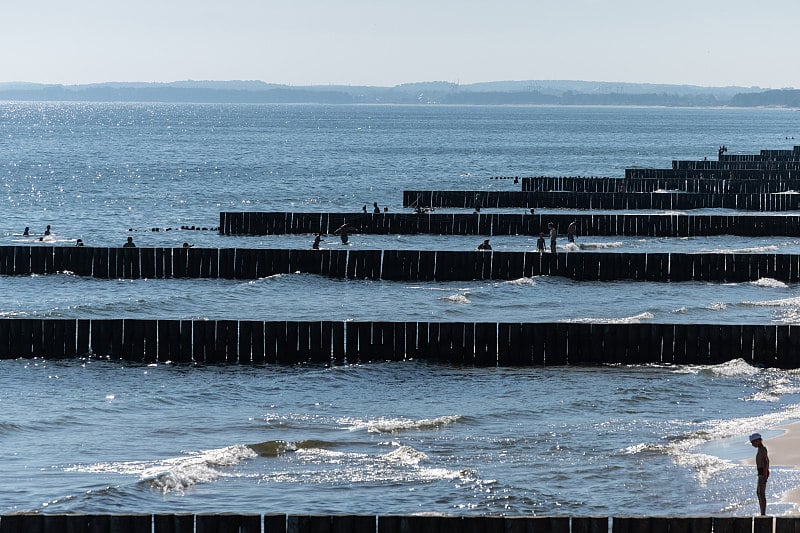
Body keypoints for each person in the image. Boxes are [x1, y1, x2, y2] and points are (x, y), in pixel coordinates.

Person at [750, 433, 770, 515]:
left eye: (753, 442)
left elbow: (766, 462)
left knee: (761, 493)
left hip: (763, 472)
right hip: (760, 472)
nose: (752, 444)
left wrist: (764, 475)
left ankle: (763, 513)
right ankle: (762, 511)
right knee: (758, 493)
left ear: (758, 441)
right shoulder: (760, 449)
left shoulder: (763, 449)